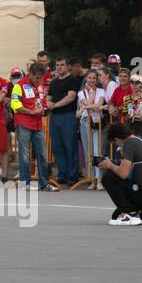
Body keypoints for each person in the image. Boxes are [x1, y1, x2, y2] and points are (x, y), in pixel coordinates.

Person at [98, 122, 142, 225]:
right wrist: (115, 163)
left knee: (108, 177)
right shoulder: (141, 141)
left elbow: (123, 174)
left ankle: (132, 215)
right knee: (116, 216)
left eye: (115, 143)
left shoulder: (129, 143)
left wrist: (109, 165)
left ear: (116, 139)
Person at [11, 63, 57, 191]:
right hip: (24, 123)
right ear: (30, 74)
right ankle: (24, 184)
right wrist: (30, 112)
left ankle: (44, 183)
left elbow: (41, 103)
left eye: (41, 78)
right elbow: (14, 104)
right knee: (24, 155)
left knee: (42, 154)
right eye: (36, 78)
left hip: (37, 124)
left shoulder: (40, 85)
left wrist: (46, 108)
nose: (39, 81)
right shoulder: (19, 85)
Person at [46, 57, 82, 187]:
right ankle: (62, 174)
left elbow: (71, 97)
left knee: (70, 146)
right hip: (55, 117)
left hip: (68, 115)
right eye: (57, 65)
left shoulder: (72, 79)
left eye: (62, 65)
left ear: (67, 66)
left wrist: (54, 105)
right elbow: (48, 97)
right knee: (57, 146)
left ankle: (73, 175)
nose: (59, 67)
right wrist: (49, 103)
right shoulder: (54, 82)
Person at [77, 69, 106, 181]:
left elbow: (98, 105)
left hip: (97, 122)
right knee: (88, 151)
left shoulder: (101, 91)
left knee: (97, 150)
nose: (92, 80)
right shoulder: (81, 92)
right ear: (86, 79)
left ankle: (99, 179)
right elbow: (90, 104)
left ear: (97, 79)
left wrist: (84, 107)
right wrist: (91, 96)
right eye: (89, 78)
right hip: (85, 121)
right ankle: (91, 178)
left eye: (94, 78)